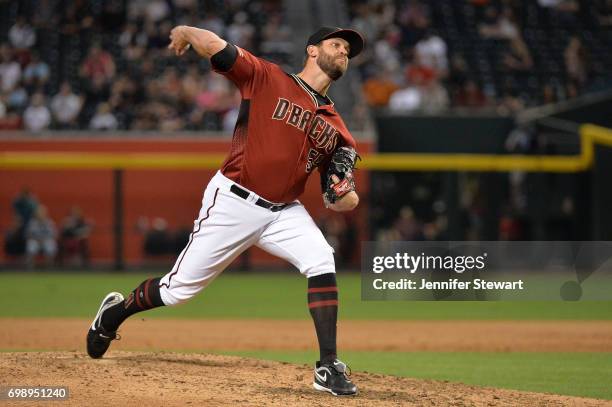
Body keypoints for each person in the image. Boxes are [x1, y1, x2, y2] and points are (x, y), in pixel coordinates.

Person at [86, 25, 365, 397]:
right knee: (177, 291)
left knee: (321, 260)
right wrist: (186, 30)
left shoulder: (337, 128)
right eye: (336, 44)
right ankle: (114, 313)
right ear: (312, 51)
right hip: (234, 200)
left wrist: (344, 196)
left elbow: (339, 195)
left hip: (284, 211)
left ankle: (328, 365)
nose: (344, 51)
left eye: (348, 49)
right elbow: (217, 46)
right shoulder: (267, 78)